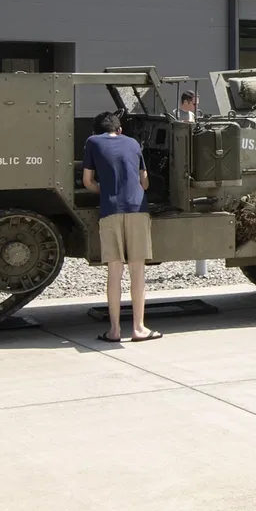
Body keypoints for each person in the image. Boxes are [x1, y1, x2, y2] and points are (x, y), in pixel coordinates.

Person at [83, 111, 161, 342]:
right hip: (138, 209)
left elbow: (87, 181)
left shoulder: (92, 142)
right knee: (137, 271)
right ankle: (139, 328)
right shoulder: (133, 143)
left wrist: (106, 191)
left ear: (97, 130)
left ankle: (114, 330)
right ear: (120, 130)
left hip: (110, 211)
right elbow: (144, 181)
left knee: (115, 271)